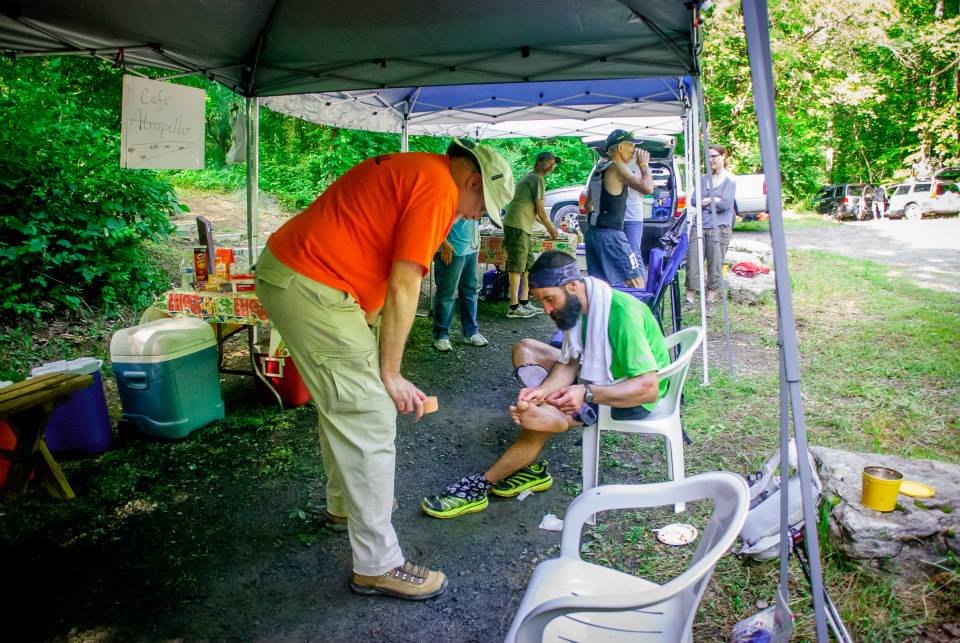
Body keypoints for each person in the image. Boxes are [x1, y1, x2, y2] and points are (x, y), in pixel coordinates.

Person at [254, 138, 514, 599]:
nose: (476, 216)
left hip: (303, 276)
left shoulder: (422, 171)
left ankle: (342, 507)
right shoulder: (438, 189)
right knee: (369, 410)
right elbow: (405, 285)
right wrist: (390, 374)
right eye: (481, 206)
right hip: (312, 282)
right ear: (471, 181)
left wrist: (375, 350)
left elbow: (373, 256)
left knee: (346, 402)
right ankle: (377, 564)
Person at [420, 250, 670, 519]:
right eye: (542, 302)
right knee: (525, 349)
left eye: (550, 299)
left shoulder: (620, 314)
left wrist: (585, 392)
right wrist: (543, 390)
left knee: (535, 417)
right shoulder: (584, 304)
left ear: (573, 285)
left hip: (628, 396)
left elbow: (648, 387)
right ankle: (548, 417)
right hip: (596, 379)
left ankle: (483, 483)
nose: (548, 310)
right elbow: (570, 362)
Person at [583, 129, 654, 288]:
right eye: (631, 146)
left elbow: (587, 205)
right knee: (636, 281)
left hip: (593, 234)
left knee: (600, 286)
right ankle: (641, 312)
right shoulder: (618, 168)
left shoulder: (599, 169)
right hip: (612, 235)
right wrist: (644, 166)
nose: (634, 150)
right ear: (621, 147)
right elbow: (648, 189)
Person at [502, 151, 561, 319]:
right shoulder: (537, 179)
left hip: (522, 225)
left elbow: (536, 213)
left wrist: (550, 227)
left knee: (528, 266)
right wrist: (551, 228)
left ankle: (524, 302)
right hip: (517, 225)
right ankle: (513, 306)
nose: (552, 165)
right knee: (516, 265)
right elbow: (541, 210)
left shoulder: (532, 178)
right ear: (538, 163)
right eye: (549, 162)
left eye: (553, 163)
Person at [685, 144, 737, 312]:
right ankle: (690, 300)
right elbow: (694, 201)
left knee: (715, 264)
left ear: (723, 156)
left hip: (719, 227)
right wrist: (714, 200)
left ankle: (710, 302)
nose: (710, 160)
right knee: (693, 261)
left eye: (714, 156)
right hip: (700, 225)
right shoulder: (703, 179)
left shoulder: (730, 180)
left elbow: (726, 204)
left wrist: (708, 200)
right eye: (707, 157)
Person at [431, 217, 487, 352]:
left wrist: (477, 239)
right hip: (451, 249)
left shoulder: (470, 197)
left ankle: (471, 332)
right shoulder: (447, 196)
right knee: (446, 295)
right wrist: (443, 243)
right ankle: (441, 336)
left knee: (470, 291)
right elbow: (433, 219)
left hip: (470, 249)